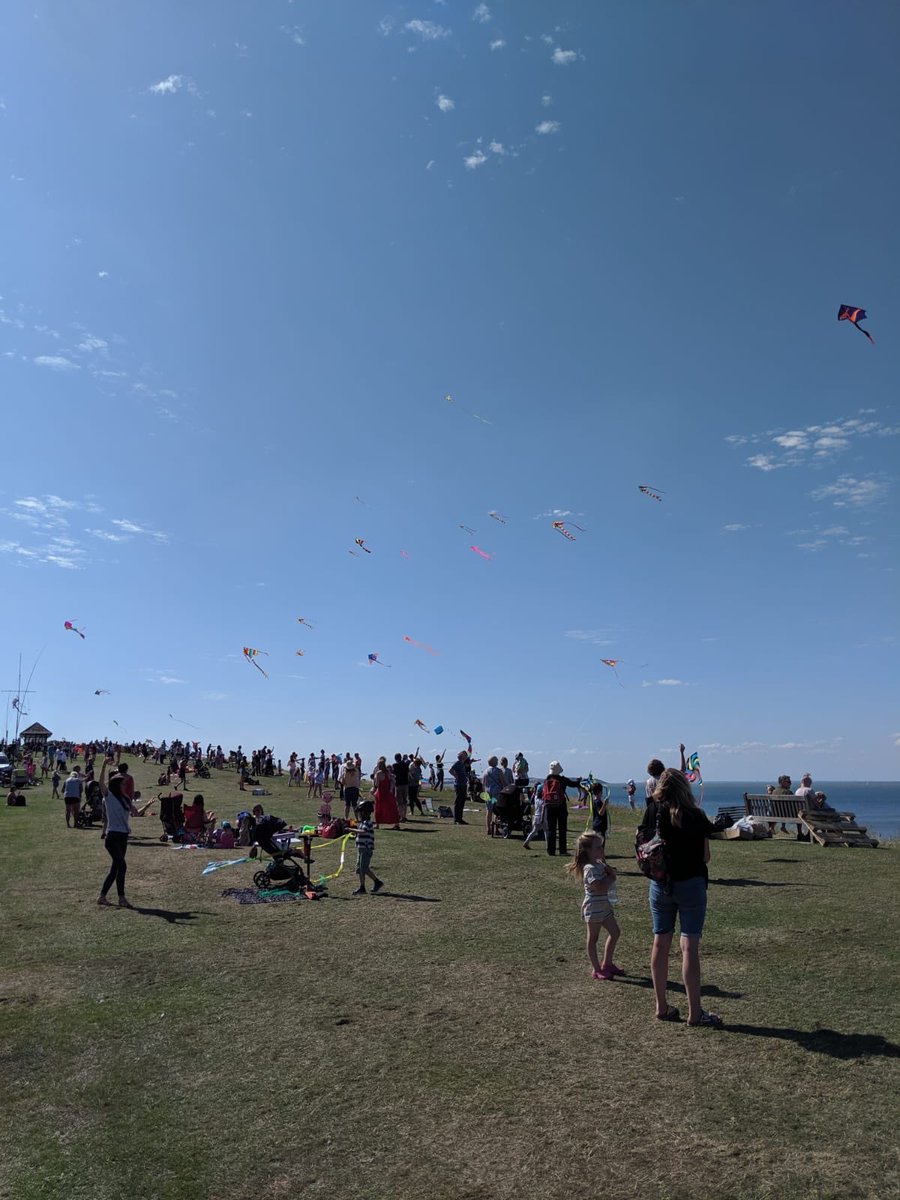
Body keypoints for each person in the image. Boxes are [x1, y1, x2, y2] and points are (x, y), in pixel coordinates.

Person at [639, 768, 721, 1026]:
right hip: (691, 884)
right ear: (685, 788)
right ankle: (694, 1013)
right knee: (689, 948)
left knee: (660, 943)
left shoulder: (652, 810)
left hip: (661, 883)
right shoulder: (695, 815)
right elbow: (705, 857)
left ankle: (661, 1006)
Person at [568, 831, 622, 980]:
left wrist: (609, 871)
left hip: (604, 906)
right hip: (593, 908)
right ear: (588, 850)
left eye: (601, 846)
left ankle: (607, 963)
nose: (601, 850)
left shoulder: (599, 864)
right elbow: (599, 887)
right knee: (593, 938)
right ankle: (596, 969)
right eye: (598, 847)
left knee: (615, 932)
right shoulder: (589, 869)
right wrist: (611, 877)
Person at [97, 757, 139, 908]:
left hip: (123, 836)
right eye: (122, 783)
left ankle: (102, 897)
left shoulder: (125, 798)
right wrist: (103, 765)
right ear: (117, 785)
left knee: (115, 868)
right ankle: (122, 898)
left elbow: (135, 813)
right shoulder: (109, 796)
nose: (124, 785)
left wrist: (146, 806)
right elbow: (101, 783)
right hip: (112, 836)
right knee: (122, 866)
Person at [542, 761, 581, 856]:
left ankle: (551, 851)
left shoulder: (547, 779)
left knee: (551, 829)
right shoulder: (562, 779)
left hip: (549, 807)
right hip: (561, 806)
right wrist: (579, 781)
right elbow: (574, 784)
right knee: (562, 829)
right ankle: (562, 850)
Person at [352, 800, 384, 895]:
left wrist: (351, 829)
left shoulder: (367, 822)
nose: (359, 815)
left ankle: (371, 884)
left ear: (364, 812)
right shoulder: (363, 823)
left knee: (364, 868)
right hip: (361, 848)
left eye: (360, 812)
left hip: (366, 849)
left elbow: (364, 831)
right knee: (360, 868)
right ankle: (367, 885)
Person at [372, 757, 400, 830]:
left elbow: (377, 784)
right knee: (392, 808)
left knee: (378, 808)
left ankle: (377, 824)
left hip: (381, 792)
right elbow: (392, 781)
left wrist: (375, 779)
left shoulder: (378, 773)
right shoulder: (388, 773)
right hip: (388, 792)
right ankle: (396, 823)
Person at [481, 756, 505, 837]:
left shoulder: (485, 771)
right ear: (494, 762)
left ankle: (488, 828)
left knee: (489, 810)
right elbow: (503, 782)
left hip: (487, 794)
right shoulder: (498, 771)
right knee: (496, 810)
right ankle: (496, 829)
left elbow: (483, 784)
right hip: (496, 794)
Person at [449, 751, 470, 825]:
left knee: (462, 802)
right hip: (459, 785)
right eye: (464, 755)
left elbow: (467, 765)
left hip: (463, 784)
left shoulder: (462, 763)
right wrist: (456, 776)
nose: (466, 756)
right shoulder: (457, 763)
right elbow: (450, 770)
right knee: (458, 802)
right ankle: (456, 819)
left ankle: (460, 819)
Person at [340, 756, 361, 820]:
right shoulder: (356, 771)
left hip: (347, 789)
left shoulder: (345, 773)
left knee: (347, 805)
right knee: (355, 805)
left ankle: (346, 818)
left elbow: (342, 782)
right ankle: (357, 818)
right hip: (355, 788)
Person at [392, 754, 409, 821]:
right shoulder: (405, 765)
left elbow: (393, 774)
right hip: (405, 784)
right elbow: (408, 772)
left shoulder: (395, 765)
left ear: (395, 758)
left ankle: (401, 816)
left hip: (398, 784)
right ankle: (404, 815)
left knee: (399, 801)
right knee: (404, 801)